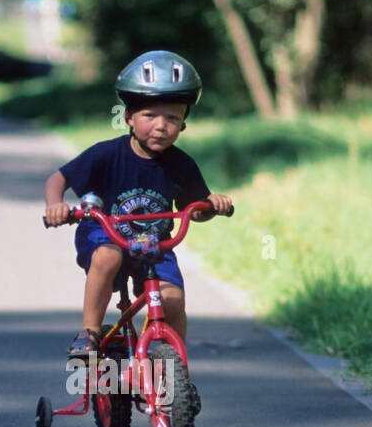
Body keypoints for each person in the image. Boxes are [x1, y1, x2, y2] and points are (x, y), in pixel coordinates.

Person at [43, 50, 233, 408]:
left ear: (184, 124)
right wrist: (55, 205)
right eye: (150, 115)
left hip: (154, 246)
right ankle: (91, 332)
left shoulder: (181, 165)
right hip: (106, 235)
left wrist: (213, 206)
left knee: (174, 300)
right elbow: (59, 178)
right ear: (129, 116)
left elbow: (196, 208)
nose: (161, 125)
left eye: (172, 118)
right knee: (108, 256)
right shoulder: (106, 154)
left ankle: (171, 371)